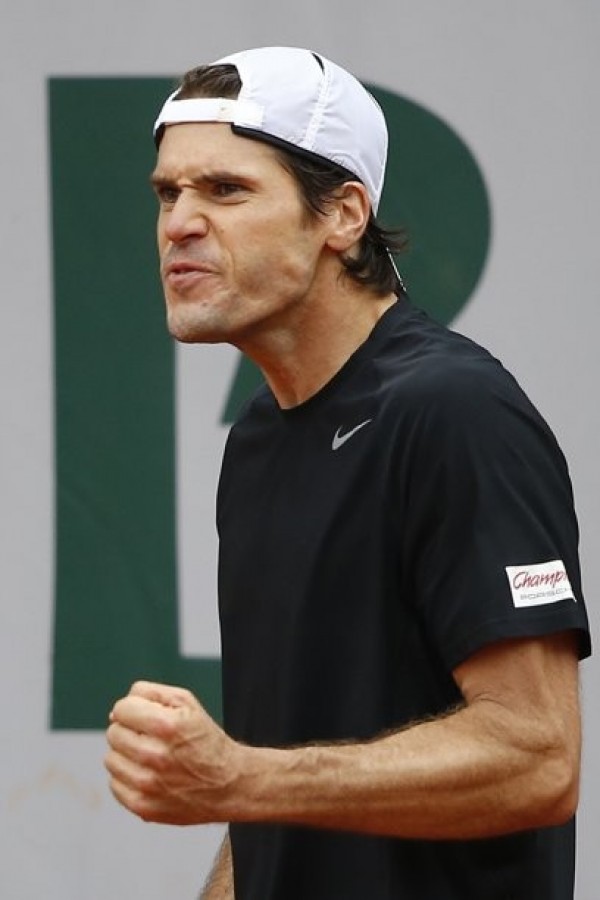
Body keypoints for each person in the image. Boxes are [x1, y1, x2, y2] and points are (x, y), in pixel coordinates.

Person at [105, 46, 591, 899]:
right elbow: (284, 787)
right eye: (168, 193)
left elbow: (538, 759)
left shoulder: (455, 411)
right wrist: (244, 799)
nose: (179, 222)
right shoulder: (258, 439)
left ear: (343, 214)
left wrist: (240, 778)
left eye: (225, 189)